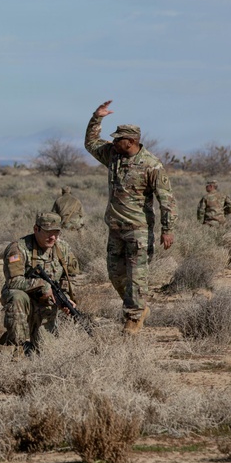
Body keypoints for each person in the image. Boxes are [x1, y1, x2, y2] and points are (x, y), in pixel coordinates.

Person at [85, 100, 177, 335]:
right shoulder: (112, 156)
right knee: (115, 275)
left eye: (119, 139)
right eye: (114, 139)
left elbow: (166, 199)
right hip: (115, 228)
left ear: (133, 142)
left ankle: (133, 318)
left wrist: (167, 229)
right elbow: (90, 143)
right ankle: (137, 306)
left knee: (137, 276)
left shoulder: (151, 165)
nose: (114, 142)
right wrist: (97, 117)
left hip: (139, 229)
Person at [0, 211, 79, 355]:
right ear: (36, 229)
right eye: (47, 232)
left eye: (56, 233)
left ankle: (10, 344)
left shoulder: (62, 248)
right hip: (24, 298)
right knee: (17, 297)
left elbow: (70, 276)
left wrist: (64, 298)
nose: (52, 237)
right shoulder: (18, 248)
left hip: (46, 302)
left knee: (46, 352)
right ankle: (15, 347)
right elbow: (13, 281)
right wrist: (41, 284)